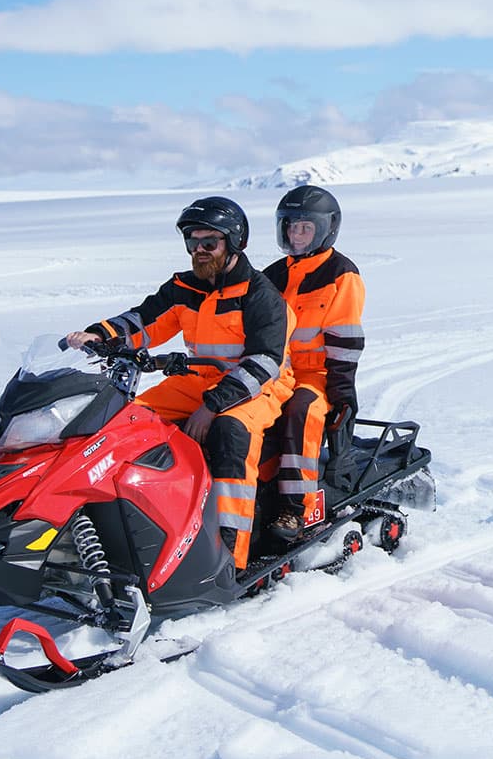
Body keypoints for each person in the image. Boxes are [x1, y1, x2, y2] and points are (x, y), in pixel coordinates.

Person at [66, 196, 293, 571]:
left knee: (229, 433)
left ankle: (229, 558)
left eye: (210, 243)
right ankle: (136, 527)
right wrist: (98, 336)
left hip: (258, 386)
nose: (199, 251)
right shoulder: (185, 288)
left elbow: (264, 363)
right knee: (127, 421)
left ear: (234, 243)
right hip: (199, 380)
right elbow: (142, 322)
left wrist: (212, 406)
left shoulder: (261, 297)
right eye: (193, 242)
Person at [259, 185, 366, 539]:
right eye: (291, 227)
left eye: (305, 228)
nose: (297, 235)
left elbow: (345, 341)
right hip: (275, 371)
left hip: (315, 376)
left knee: (302, 412)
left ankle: (295, 509)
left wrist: (342, 394)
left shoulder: (340, 274)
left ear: (325, 229)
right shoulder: (272, 275)